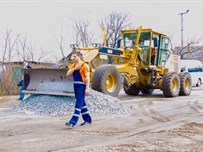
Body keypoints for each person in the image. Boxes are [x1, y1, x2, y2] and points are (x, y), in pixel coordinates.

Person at [65, 52, 92, 128]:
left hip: (81, 86)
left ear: (78, 57)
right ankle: (88, 119)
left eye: (74, 56)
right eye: (72, 57)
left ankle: (72, 122)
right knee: (82, 103)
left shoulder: (84, 65)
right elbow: (67, 74)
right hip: (75, 85)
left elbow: (87, 78)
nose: (72, 58)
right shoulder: (73, 65)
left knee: (78, 103)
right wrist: (74, 69)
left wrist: (87, 88)